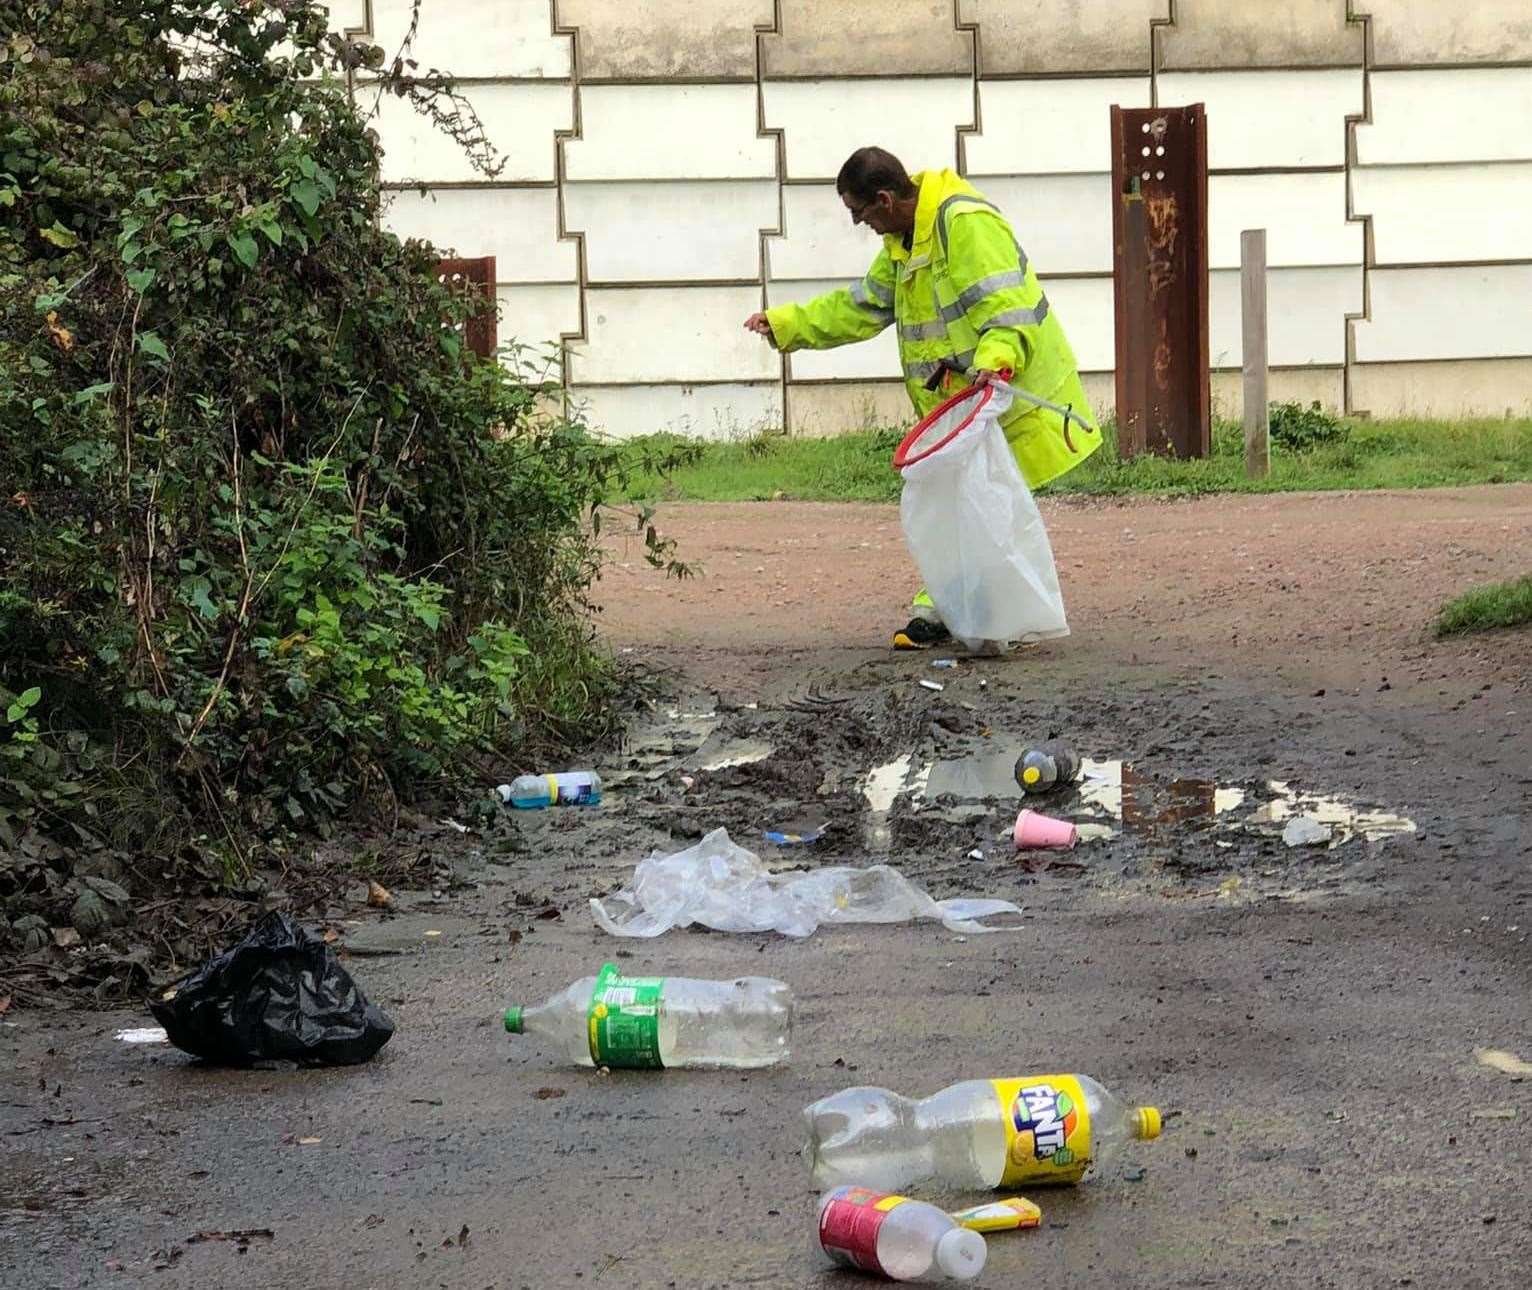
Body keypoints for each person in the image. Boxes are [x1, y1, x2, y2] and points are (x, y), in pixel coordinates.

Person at [745, 146, 1102, 650]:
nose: (859, 223)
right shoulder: (906, 242)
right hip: (968, 403)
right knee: (967, 507)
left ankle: (966, 614)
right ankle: (968, 614)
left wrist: (995, 360)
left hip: (1007, 395)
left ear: (885, 200)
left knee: (979, 509)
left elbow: (1006, 307)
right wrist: (787, 324)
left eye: (859, 213)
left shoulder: (966, 225)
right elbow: (861, 306)